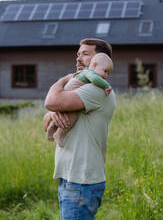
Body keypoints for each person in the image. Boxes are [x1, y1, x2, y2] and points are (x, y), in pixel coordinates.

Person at [44, 38, 116, 220]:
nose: (78, 59)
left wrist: (63, 80)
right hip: (69, 178)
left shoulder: (95, 89)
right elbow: (46, 119)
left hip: (82, 181)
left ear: (99, 59)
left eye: (85, 54)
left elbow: (50, 102)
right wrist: (53, 115)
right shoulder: (80, 87)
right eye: (78, 54)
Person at [44, 52, 113, 148]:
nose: (106, 76)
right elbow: (95, 79)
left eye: (85, 54)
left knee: (65, 115)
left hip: (69, 90)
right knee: (72, 115)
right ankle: (59, 134)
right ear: (94, 65)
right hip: (71, 90)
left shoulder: (87, 79)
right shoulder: (90, 73)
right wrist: (106, 86)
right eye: (105, 71)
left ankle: (53, 127)